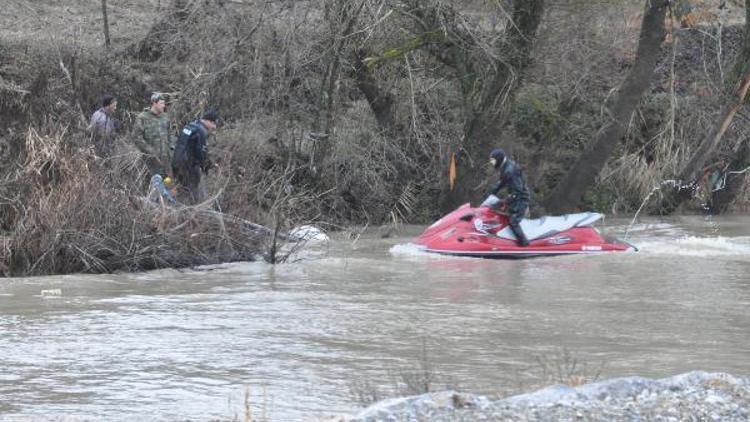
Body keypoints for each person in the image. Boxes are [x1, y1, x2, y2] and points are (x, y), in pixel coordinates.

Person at [172, 109, 221, 204]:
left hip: (177, 163)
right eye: (214, 124)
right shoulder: (201, 131)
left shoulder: (190, 126)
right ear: (209, 121)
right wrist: (208, 166)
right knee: (192, 193)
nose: (214, 127)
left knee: (179, 186)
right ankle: (190, 211)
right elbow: (201, 154)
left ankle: (170, 203)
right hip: (189, 167)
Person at [483, 148, 531, 247]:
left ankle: (525, 245)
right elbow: (500, 183)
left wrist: (506, 201)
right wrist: (490, 195)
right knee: (501, 216)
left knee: (513, 222)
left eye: (493, 160)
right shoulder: (505, 167)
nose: (492, 163)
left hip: (521, 199)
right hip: (516, 198)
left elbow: (518, 191)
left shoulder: (510, 170)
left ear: (499, 159)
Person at [133, 93, 172, 176]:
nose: (164, 106)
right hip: (150, 161)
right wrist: (150, 151)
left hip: (165, 161)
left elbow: (169, 136)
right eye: (161, 103)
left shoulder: (165, 118)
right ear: (154, 103)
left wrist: (170, 151)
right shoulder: (142, 118)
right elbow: (137, 138)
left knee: (167, 185)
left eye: (164, 103)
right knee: (153, 185)